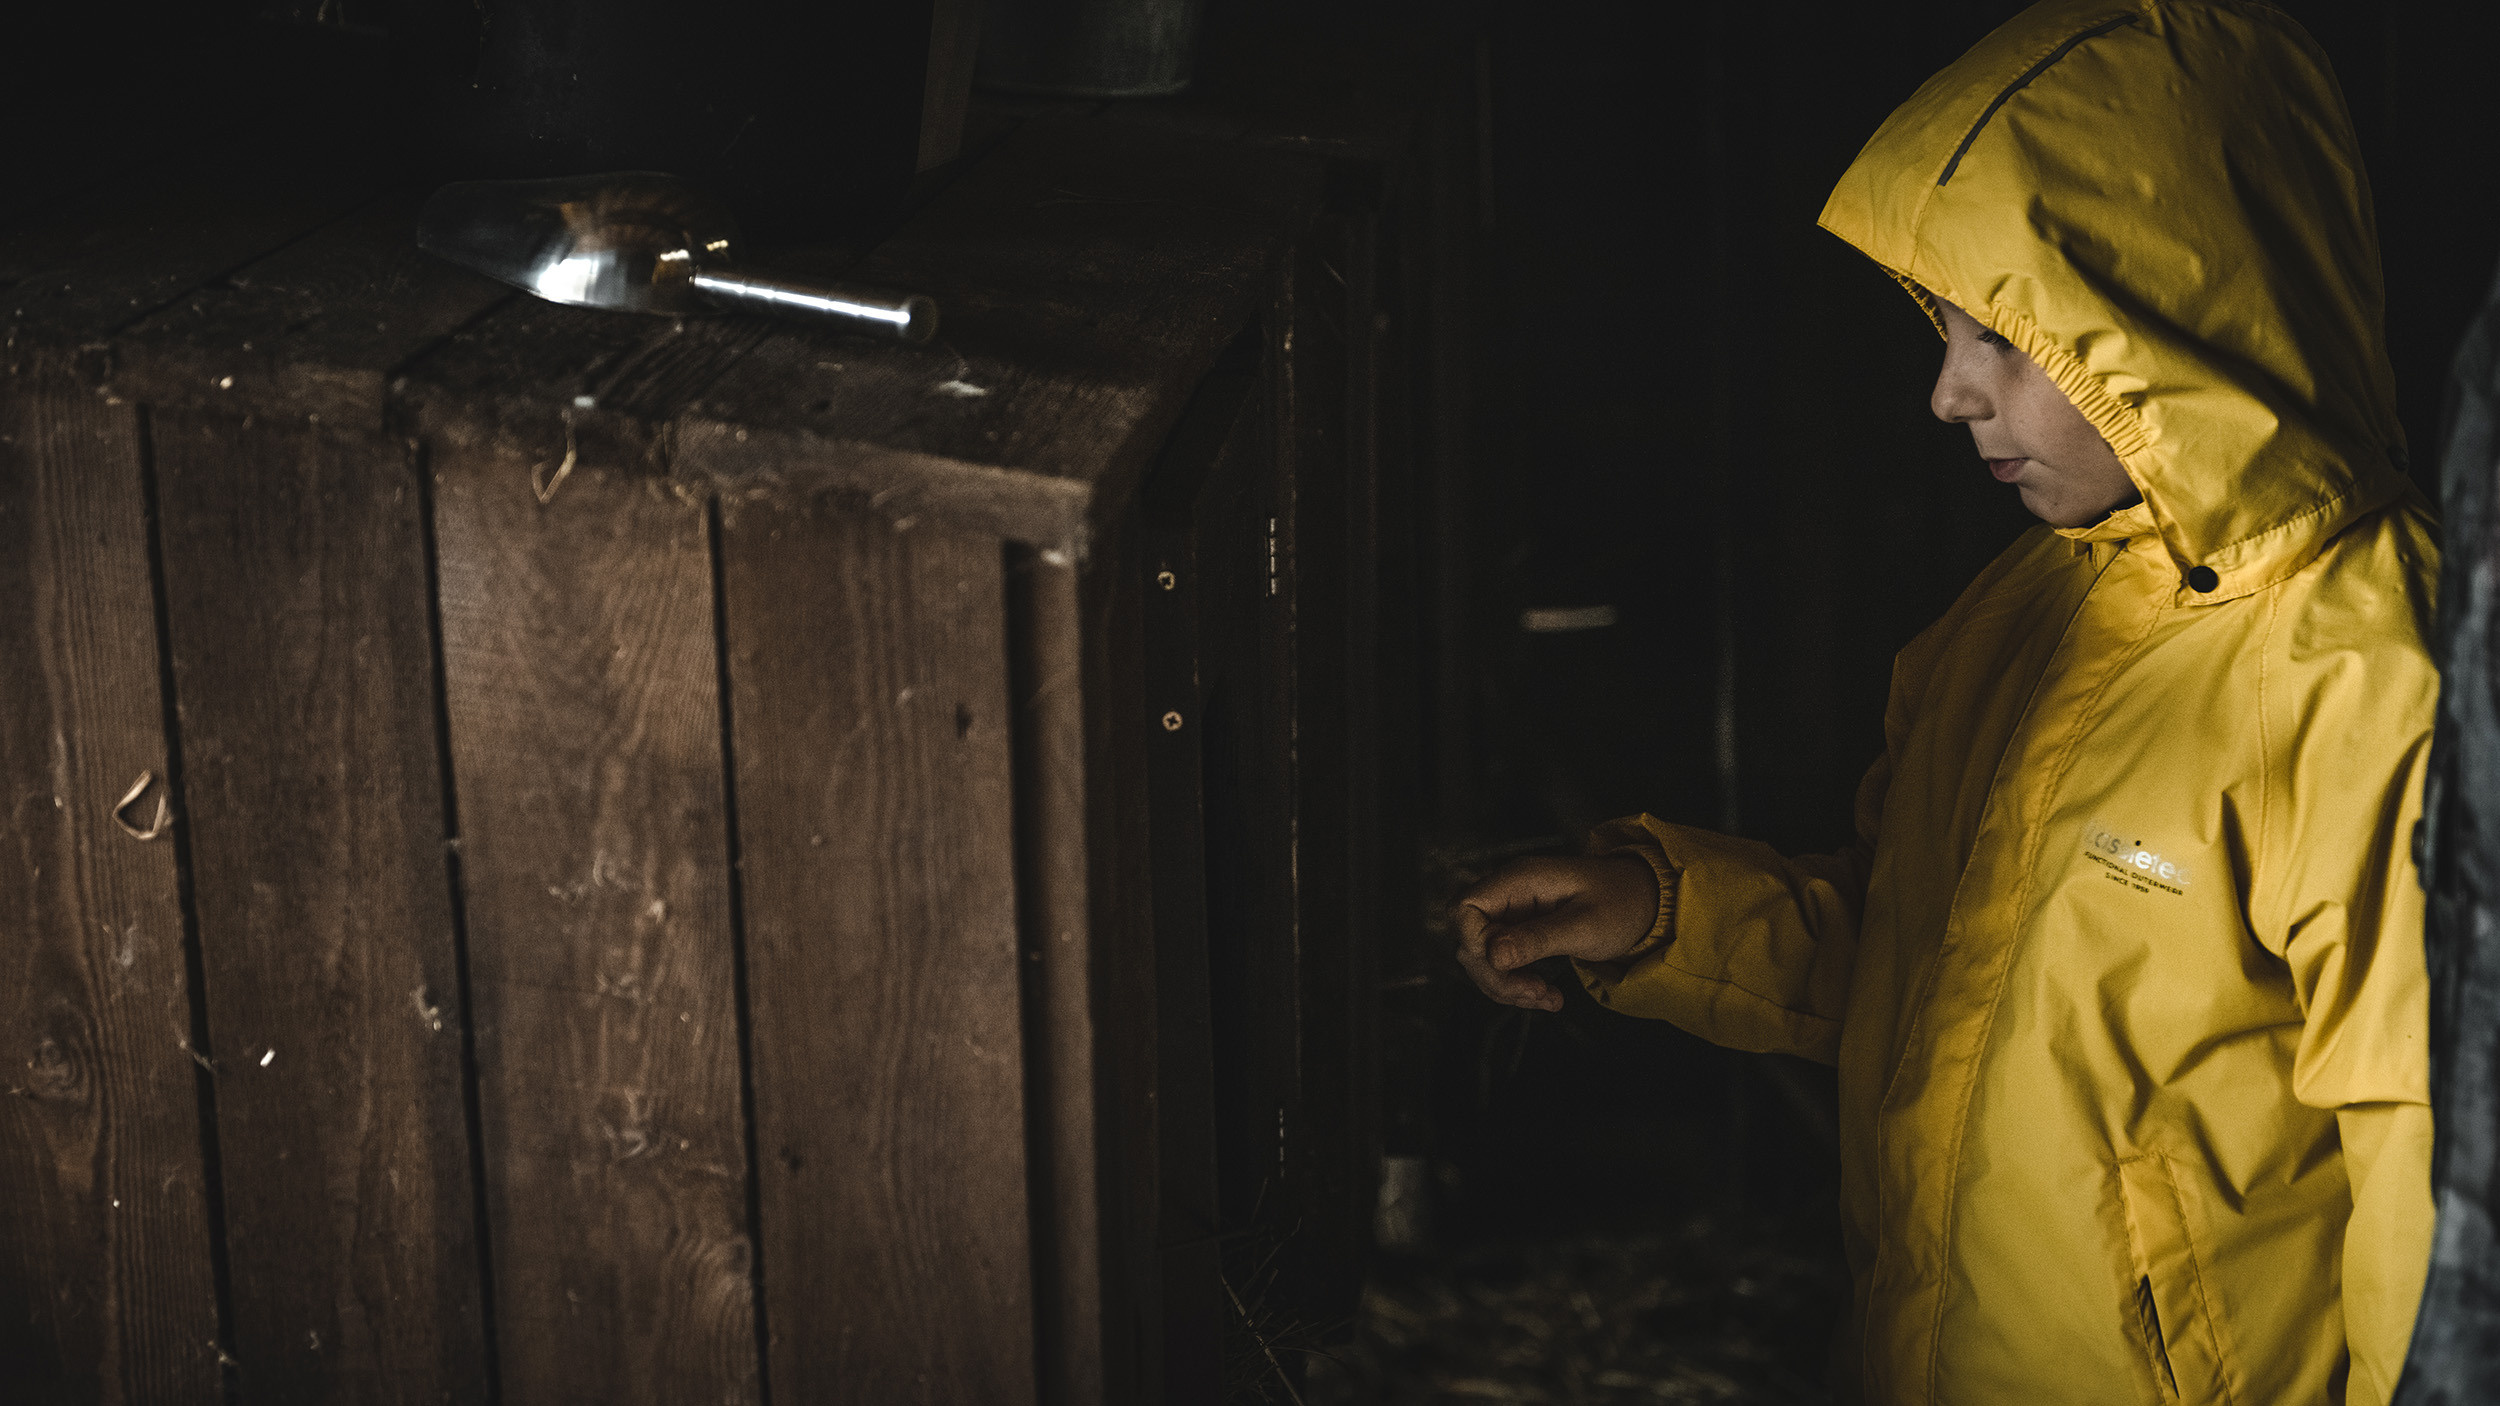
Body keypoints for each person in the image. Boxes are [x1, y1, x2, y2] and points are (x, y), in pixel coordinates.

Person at [1452, 2, 2438, 1402]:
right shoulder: (2020, 615)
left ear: (2168, 319)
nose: (1948, 393)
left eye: (2010, 339)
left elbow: (2435, 1166)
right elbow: (1931, 963)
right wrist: (1667, 914)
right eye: (1945, 328)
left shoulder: (2377, 674)